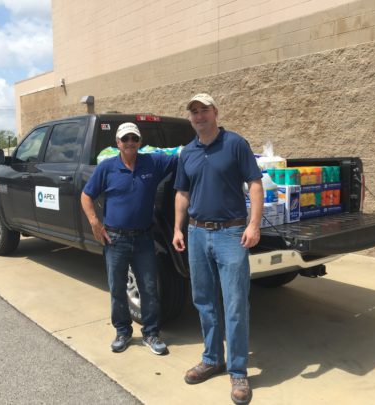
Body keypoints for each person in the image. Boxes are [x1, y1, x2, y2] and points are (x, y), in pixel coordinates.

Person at [172, 94, 263, 404]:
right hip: (197, 233)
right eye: (194, 112)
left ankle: (238, 370)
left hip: (231, 233)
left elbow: (255, 184)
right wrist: (177, 228)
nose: (199, 116)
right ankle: (212, 358)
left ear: (215, 112)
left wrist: (253, 225)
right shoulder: (187, 152)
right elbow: (182, 192)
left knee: (235, 303)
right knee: (204, 300)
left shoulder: (235, 144)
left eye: (204, 110)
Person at [81, 122, 177, 355]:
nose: (130, 143)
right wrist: (95, 222)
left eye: (134, 139)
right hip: (115, 239)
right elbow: (86, 195)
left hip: (144, 238)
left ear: (140, 142)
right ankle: (123, 331)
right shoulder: (107, 168)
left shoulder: (152, 163)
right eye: (125, 140)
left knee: (149, 288)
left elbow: (180, 157)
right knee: (117, 288)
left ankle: (151, 334)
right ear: (118, 143)